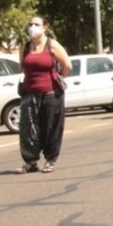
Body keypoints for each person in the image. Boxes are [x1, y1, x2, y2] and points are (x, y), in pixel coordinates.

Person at [16, 15, 72, 173]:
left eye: (36, 24)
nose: (32, 27)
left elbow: (67, 65)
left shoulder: (52, 45)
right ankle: (31, 161)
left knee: (50, 127)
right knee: (28, 129)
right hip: (29, 93)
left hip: (50, 93)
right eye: (30, 24)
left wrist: (59, 77)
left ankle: (50, 160)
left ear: (45, 27)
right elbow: (23, 66)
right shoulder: (26, 47)